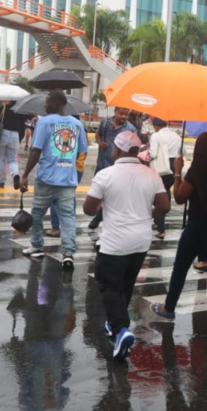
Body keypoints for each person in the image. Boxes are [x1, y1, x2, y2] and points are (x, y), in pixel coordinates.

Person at [83, 131, 170, 362]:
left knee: (108, 284)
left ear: (118, 150)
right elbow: (164, 205)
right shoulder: (152, 175)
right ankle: (114, 325)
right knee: (126, 284)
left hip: (114, 241)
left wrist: (102, 205)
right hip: (141, 240)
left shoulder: (106, 174)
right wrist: (148, 215)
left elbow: (88, 210)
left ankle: (122, 330)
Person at [151, 132, 207, 337]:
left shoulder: (197, 170)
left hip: (199, 225)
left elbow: (180, 198)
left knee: (181, 266)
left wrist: (177, 173)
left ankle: (169, 308)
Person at [19, 91, 88, 270]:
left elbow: (35, 151)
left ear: (56, 104)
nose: (45, 105)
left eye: (47, 103)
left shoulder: (44, 122)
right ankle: (68, 253)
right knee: (68, 218)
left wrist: (25, 174)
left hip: (47, 178)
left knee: (37, 214)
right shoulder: (77, 124)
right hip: (67, 179)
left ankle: (36, 245)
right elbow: (81, 150)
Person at [89, 107, 136, 230]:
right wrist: (99, 142)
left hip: (118, 167)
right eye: (121, 114)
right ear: (115, 112)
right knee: (99, 192)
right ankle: (99, 214)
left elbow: (134, 148)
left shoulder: (130, 129)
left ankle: (100, 217)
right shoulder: (105, 122)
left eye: (126, 114)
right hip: (102, 163)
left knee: (113, 195)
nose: (124, 117)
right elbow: (98, 134)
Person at [147, 118, 183, 239]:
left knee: (157, 195)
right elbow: (183, 151)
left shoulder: (156, 136)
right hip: (173, 168)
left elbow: (152, 154)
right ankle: (161, 217)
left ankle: (161, 227)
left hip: (162, 167)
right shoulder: (176, 136)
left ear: (156, 126)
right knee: (165, 191)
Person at [0, 100, 28, 189]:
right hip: (15, 135)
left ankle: (1, 181)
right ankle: (15, 174)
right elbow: (23, 126)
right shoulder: (20, 110)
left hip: (3, 134)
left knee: (0, 159)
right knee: (13, 159)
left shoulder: (4, 108)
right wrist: (20, 138)